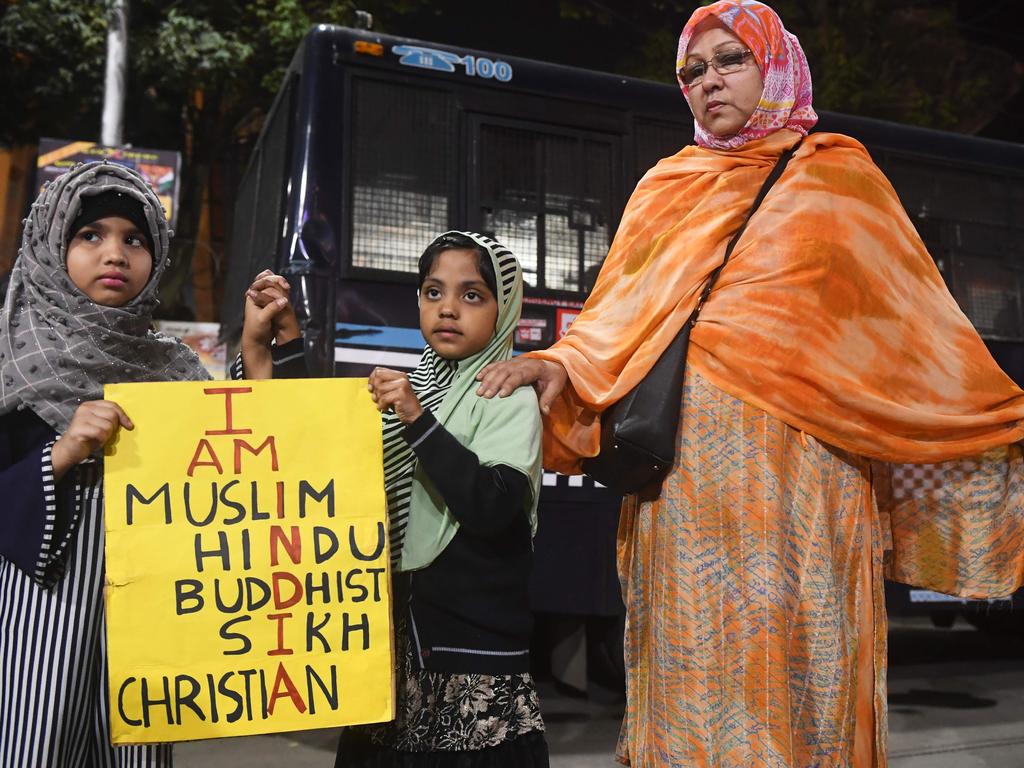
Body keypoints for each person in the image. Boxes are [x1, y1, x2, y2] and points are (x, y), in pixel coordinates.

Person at [476, 2, 1024, 766]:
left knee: (800, 667)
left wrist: (992, 416)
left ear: (775, 66)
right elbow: (615, 320)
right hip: (684, 495)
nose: (709, 81)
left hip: (809, 486)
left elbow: (912, 328)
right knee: (692, 666)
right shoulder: (667, 187)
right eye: (692, 71)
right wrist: (558, 363)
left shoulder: (840, 179)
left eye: (730, 60)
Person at [241, 232, 549, 767]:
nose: (448, 309)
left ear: (506, 309)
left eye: (471, 295)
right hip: (388, 649)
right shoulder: (415, 386)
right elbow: (326, 460)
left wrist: (416, 419)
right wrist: (286, 341)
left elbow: (492, 507)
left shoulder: (507, 394)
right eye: (433, 292)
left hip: (470, 662)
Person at [0, 161, 211, 767]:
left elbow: (241, 473)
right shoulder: (9, 357)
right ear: (51, 244)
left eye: (134, 239)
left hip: (143, 619)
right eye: (90, 235)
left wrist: (254, 348)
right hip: (36, 618)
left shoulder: (175, 371)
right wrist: (61, 452)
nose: (114, 254)